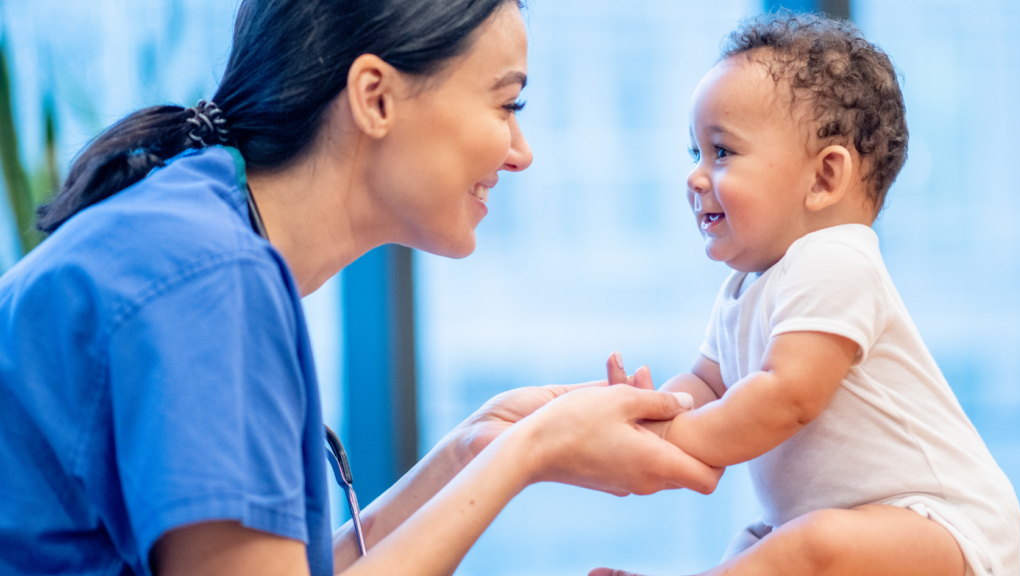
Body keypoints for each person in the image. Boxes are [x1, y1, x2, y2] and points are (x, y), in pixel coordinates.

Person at [0, 1, 725, 575]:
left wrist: (480, 445)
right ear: (374, 97)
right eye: (507, 106)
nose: (521, 153)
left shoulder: (197, 233)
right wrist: (528, 454)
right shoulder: (207, 279)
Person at [592, 12, 1020, 576]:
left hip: (945, 527)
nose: (696, 177)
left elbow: (787, 396)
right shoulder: (744, 287)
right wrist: (652, 413)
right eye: (694, 153)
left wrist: (681, 433)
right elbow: (706, 383)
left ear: (823, 178)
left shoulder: (837, 260)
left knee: (806, 546)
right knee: (759, 544)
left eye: (721, 152)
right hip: (856, 523)